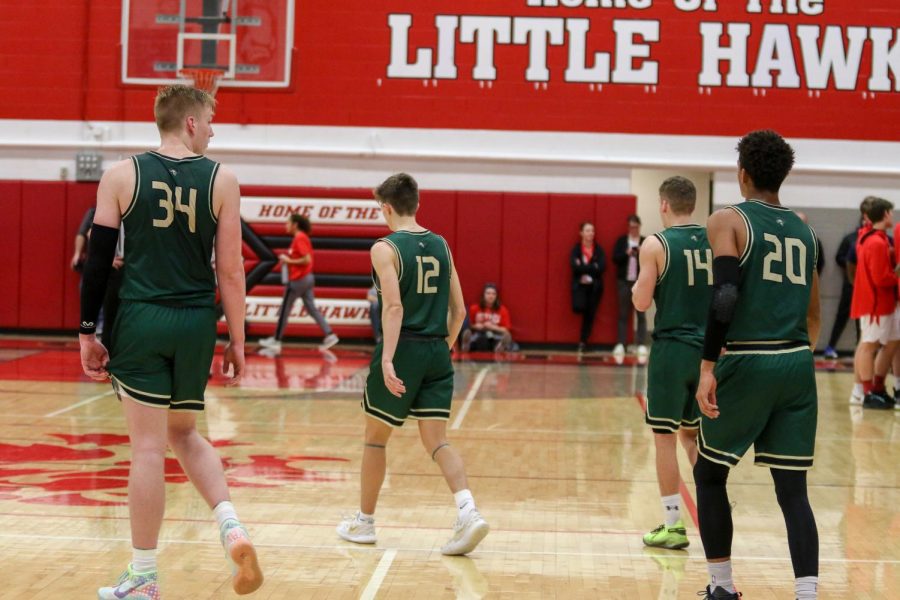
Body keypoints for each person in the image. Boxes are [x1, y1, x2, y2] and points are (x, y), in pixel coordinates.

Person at [78, 84, 263, 598]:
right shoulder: (223, 180)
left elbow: (97, 263)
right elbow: (230, 270)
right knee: (184, 432)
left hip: (142, 317)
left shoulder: (120, 175)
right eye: (209, 120)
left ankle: (142, 576)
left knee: (146, 448)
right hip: (195, 323)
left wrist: (87, 331)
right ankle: (232, 528)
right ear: (189, 122)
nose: (213, 129)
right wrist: (239, 340)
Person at [695, 130, 820, 600]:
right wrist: (794, 357)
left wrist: (708, 366)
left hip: (749, 358)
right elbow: (813, 315)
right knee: (793, 488)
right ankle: (806, 593)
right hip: (797, 363)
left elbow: (725, 293)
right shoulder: (806, 230)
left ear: (742, 173)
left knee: (709, 474)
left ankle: (722, 587)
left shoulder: (728, 218)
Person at [336, 172, 489, 555]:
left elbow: (393, 307)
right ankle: (468, 511)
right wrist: (442, 350)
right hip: (438, 349)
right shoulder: (441, 244)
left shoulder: (384, 248)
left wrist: (388, 359)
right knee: (438, 441)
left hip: (403, 347)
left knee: (375, 438)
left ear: (386, 208)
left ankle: (365, 523)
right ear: (416, 204)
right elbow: (460, 311)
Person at [631, 176, 709, 550]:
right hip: (707, 353)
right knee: (693, 438)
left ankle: (672, 524)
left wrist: (636, 287)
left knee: (664, 439)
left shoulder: (656, 244)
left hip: (672, 351)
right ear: (691, 203)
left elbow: (642, 302)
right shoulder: (714, 241)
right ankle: (712, 512)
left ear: (663, 204)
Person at [259, 214, 338, 355]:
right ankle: (330, 334)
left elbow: (306, 259)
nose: (286, 226)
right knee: (312, 309)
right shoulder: (302, 237)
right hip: (307, 278)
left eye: (287, 223)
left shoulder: (299, 237)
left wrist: (288, 261)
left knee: (285, 309)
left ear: (295, 224)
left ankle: (276, 340)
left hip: (298, 280)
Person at [849, 197, 898, 410]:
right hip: (876, 303)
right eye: (891, 212)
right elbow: (881, 278)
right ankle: (868, 392)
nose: (893, 215)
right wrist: (897, 277)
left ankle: (870, 390)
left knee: (869, 345)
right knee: (868, 347)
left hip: (872, 301)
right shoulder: (876, 241)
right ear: (885, 214)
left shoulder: (867, 236)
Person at [823, 201, 872, 360]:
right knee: (842, 315)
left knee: (862, 320)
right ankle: (830, 346)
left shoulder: (876, 239)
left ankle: (861, 349)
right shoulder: (851, 238)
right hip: (851, 284)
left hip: (868, 286)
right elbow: (839, 257)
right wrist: (851, 266)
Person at [613, 215, 648, 356]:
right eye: (631, 227)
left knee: (641, 313)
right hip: (624, 281)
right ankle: (621, 343)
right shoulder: (622, 241)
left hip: (640, 282)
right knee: (623, 313)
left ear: (639, 227)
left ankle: (641, 344)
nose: (633, 229)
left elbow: (651, 262)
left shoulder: (645, 241)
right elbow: (615, 258)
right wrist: (626, 253)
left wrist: (641, 253)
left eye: (636, 227)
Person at [570, 222, 607, 353]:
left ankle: (583, 342)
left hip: (594, 288)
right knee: (579, 309)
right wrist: (592, 267)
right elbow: (575, 267)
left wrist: (584, 268)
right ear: (581, 233)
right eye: (587, 230)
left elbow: (602, 267)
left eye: (592, 231)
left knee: (589, 315)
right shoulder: (576, 249)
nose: (590, 233)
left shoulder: (598, 250)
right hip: (580, 287)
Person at [462, 283, 514, 352]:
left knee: (498, 339)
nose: (491, 296)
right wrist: (476, 326)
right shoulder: (474, 308)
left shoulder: (503, 310)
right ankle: (467, 345)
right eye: (488, 293)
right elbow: (469, 325)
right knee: (480, 339)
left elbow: (506, 330)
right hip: (479, 334)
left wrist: (493, 327)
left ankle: (500, 347)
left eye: (493, 294)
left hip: (495, 334)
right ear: (483, 295)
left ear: (496, 296)